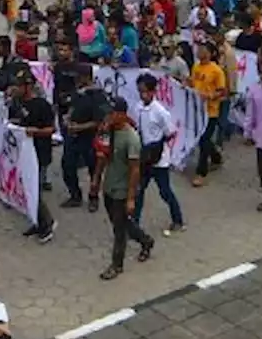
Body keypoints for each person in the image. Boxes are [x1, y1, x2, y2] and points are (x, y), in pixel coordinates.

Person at [95, 96, 154, 280]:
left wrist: (130, 198)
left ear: (121, 114)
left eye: (112, 113)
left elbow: (135, 170)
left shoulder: (131, 138)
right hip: (109, 186)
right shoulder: (107, 130)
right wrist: (96, 179)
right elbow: (102, 156)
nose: (108, 116)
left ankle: (116, 265)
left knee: (119, 230)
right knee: (120, 223)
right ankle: (145, 240)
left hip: (122, 189)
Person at [6, 69, 57, 243]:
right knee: (27, 189)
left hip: (39, 152)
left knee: (35, 191)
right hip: (22, 153)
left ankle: (47, 225)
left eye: (20, 85)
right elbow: (14, 120)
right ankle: (37, 221)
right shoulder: (17, 102)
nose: (17, 89)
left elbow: (52, 129)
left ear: (28, 86)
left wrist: (35, 132)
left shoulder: (42, 105)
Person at [131, 73, 185, 235]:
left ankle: (178, 220)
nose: (143, 95)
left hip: (159, 159)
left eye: (146, 92)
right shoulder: (137, 108)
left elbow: (171, 132)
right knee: (139, 190)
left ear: (153, 92)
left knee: (165, 191)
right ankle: (134, 223)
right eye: (140, 91)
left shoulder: (161, 112)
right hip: (144, 157)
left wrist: (158, 145)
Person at [59, 63, 105, 212]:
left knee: (93, 169)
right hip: (73, 136)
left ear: (86, 77)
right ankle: (75, 195)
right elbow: (71, 107)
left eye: (78, 77)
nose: (76, 80)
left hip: (89, 138)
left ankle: (93, 198)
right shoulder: (77, 92)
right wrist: (67, 118)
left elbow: (99, 121)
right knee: (67, 165)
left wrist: (81, 127)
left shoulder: (97, 95)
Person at [189, 42, 227, 187]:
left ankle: (201, 173)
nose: (200, 52)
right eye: (199, 49)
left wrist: (210, 96)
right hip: (196, 110)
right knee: (202, 139)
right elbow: (194, 84)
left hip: (210, 111)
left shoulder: (216, 71)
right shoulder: (196, 67)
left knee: (204, 140)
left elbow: (222, 91)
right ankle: (216, 157)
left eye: (203, 50)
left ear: (211, 53)